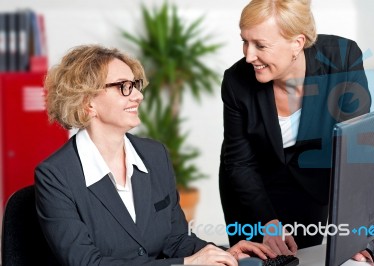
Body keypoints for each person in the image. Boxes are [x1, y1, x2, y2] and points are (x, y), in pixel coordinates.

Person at [35, 44, 276, 266]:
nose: (138, 96)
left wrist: (222, 252)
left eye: (135, 85)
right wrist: (185, 265)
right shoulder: (56, 176)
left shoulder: (154, 155)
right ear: (88, 102)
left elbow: (176, 240)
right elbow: (86, 263)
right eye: (123, 87)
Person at [218, 0, 374, 263]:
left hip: (312, 185)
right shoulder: (236, 80)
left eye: (260, 45)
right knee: (257, 261)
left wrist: (356, 235)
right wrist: (267, 222)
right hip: (250, 189)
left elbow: (355, 153)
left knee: (306, 258)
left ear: (297, 43)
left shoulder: (342, 59)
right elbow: (239, 162)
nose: (249, 55)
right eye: (245, 41)